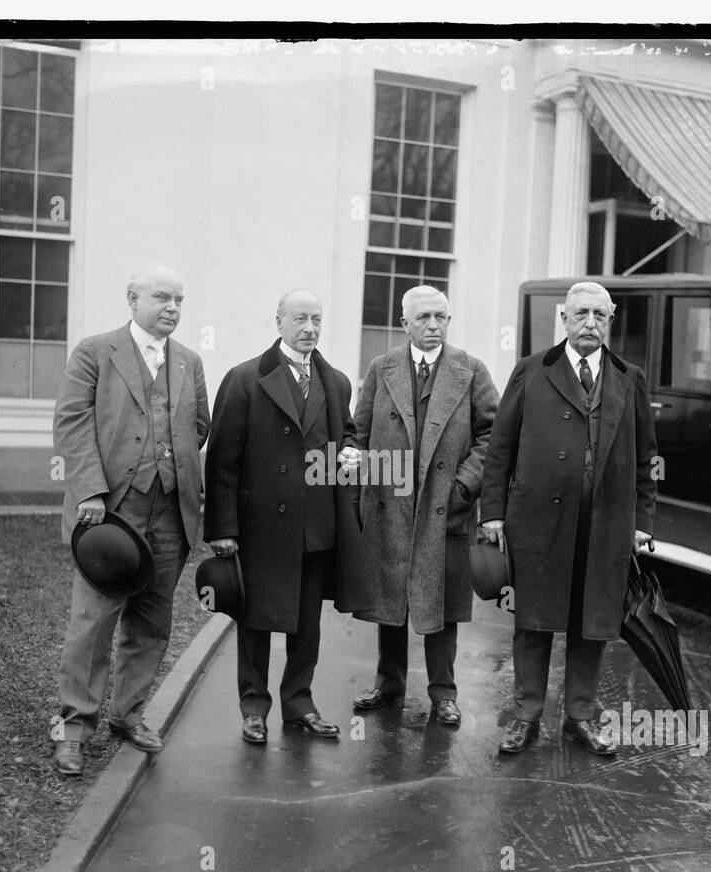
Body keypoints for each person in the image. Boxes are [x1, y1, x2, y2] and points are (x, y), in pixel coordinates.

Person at [479, 281, 657, 755]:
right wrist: (492, 513)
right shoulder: (531, 371)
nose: (590, 324)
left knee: (592, 621)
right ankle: (525, 716)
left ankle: (580, 717)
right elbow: (501, 448)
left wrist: (641, 521)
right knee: (533, 621)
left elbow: (646, 460)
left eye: (600, 315)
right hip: (537, 521)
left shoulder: (629, 378)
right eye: (581, 314)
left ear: (611, 321)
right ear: (563, 318)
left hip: (605, 525)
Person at [50, 264, 209, 775]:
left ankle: (128, 714)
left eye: (180, 300)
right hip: (111, 512)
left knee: (153, 620)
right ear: (132, 299)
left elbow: (199, 425)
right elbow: (72, 425)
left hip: (171, 510)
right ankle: (74, 729)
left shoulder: (188, 361)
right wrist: (92, 491)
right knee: (93, 623)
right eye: (162, 297)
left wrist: (174, 467)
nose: (173, 308)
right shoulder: (96, 352)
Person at [205, 290, 373, 744]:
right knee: (256, 621)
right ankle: (254, 707)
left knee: (307, 626)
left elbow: (349, 436)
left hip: (316, 526)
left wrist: (354, 453)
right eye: (300, 319)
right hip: (261, 528)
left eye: (317, 320)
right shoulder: (244, 379)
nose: (310, 329)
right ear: (278, 321)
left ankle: (299, 703)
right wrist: (222, 529)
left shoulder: (336, 382)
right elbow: (222, 459)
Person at [351, 286, 498, 725]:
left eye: (441, 317)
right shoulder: (382, 369)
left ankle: (444, 692)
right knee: (391, 598)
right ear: (404, 324)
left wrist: (463, 488)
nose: (433, 326)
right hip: (390, 506)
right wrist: (363, 479)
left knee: (442, 603)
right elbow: (358, 435)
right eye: (423, 319)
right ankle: (389, 682)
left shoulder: (470, 371)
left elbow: (494, 435)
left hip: (443, 506)